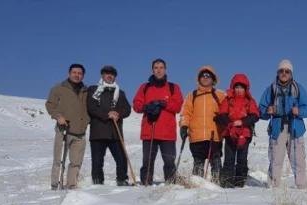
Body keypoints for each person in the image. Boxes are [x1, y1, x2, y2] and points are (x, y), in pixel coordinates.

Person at [258, 59, 307, 188]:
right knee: (276, 160)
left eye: (287, 71)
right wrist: (267, 111)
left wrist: (298, 111)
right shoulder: (271, 89)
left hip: (295, 127)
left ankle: (301, 187)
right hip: (277, 128)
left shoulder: (298, 88)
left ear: (291, 73)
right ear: (277, 73)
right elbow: (260, 109)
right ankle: (273, 187)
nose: (284, 73)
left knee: (298, 160)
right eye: (281, 71)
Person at [132, 58, 183, 186]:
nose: (159, 70)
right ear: (152, 70)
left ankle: (171, 185)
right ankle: (146, 184)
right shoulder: (145, 87)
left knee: (169, 161)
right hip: (149, 130)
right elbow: (136, 105)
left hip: (167, 133)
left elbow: (177, 106)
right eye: (156, 67)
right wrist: (146, 107)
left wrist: (164, 103)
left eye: (161, 67)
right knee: (147, 161)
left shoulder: (173, 87)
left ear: (165, 70)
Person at [45, 63, 90, 190]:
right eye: (74, 72)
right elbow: (50, 105)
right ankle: (56, 185)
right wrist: (58, 116)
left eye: (80, 73)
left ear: (83, 75)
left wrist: (87, 121)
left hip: (80, 132)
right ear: (69, 73)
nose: (77, 75)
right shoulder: (59, 88)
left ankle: (72, 186)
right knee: (59, 160)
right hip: (64, 130)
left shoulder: (85, 91)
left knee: (76, 162)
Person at [86, 65, 132, 186]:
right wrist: (107, 114)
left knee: (122, 158)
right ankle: (97, 182)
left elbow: (127, 109)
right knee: (97, 160)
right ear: (102, 75)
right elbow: (91, 108)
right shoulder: (93, 90)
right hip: (98, 132)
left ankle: (122, 180)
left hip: (115, 133)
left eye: (112, 74)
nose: (109, 75)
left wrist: (118, 113)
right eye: (107, 73)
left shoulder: (120, 93)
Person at [180, 66, 225, 181]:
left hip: (214, 135)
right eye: (203, 76)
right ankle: (196, 184)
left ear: (213, 79)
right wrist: (184, 126)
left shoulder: (220, 95)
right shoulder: (192, 95)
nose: (205, 78)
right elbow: (185, 113)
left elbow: (227, 111)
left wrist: (223, 120)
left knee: (216, 161)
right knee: (198, 163)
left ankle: (217, 182)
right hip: (196, 136)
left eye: (208, 76)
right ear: (199, 78)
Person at [216, 74, 259, 188]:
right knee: (229, 158)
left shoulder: (250, 101)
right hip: (229, 133)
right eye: (237, 87)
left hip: (244, 134)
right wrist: (230, 124)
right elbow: (222, 114)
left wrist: (242, 122)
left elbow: (255, 116)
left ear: (246, 88)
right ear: (233, 87)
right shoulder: (227, 100)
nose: (239, 90)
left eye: (242, 87)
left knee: (242, 159)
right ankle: (227, 182)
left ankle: (240, 183)